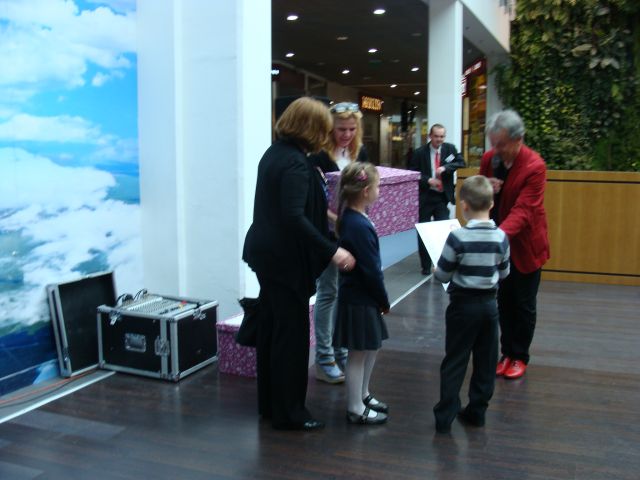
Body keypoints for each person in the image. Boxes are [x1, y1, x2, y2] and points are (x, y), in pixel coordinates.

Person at [242, 97, 356, 431]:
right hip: (284, 261)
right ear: (312, 128)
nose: (328, 134)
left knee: (273, 330)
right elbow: (293, 217)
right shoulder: (294, 163)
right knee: (290, 336)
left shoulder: (275, 153)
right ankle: (290, 413)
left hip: (269, 255)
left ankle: (271, 405)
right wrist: (331, 250)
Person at [432, 175, 510, 434]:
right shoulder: (501, 237)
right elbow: (505, 272)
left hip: (462, 306)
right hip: (489, 307)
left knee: (455, 359)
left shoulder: (457, 237)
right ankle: (477, 412)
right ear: (492, 203)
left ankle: (445, 416)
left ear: (464, 205)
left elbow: (443, 275)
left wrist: (436, 270)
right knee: (486, 361)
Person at [479, 109, 550, 380]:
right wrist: (485, 185)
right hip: (500, 245)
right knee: (504, 301)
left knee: (523, 304)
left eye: (501, 145)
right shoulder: (490, 159)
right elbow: (478, 193)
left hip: (524, 246)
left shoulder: (535, 166)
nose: (496, 150)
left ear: (518, 139)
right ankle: (506, 353)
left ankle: (520, 355)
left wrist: (496, 237)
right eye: (493, 144)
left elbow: (524, 210)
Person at [310, 101, 368, 384]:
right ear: (330, 128)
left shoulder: (359, 153)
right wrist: (338, 220)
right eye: (341, 129)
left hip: (351, 234)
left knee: (345, 293)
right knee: (328, 292)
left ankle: (339, 352)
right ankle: (324, 358)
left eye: (351, 129)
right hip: (327, 236)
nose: (346, 134)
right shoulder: (318, 157)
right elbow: (313, 201)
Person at [333, 162, 390, 425]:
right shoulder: (357, 224)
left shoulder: (353, 218)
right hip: (361, 297)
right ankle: (355, 407)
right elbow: (371, 270)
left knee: (370, 347)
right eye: (378, 186)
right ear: (366, 191)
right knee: (358, 353)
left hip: (361, 296)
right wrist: (383, 299)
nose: (379, 190)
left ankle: (363, 394)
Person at [409, 124, 466, 274]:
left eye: (442, 136)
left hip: (442, 197)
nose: (439, 139)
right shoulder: (419, 153)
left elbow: (461, 162)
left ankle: (442, 263)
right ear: (430, 136)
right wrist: (428, 180)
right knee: (423, 231)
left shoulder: (450, 149)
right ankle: (425, 266)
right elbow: (413, 173)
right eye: (436, 136)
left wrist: (446, 168)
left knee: (443, 230)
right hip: (425, 197)